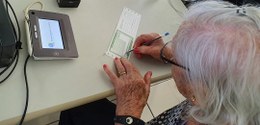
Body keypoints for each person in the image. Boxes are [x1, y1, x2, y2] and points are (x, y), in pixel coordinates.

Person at [60, 1, 260, 125]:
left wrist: (128, 113)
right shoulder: (233, 94)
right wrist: (170, 54)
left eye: (178, 57)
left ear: (201, 93)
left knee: (74, 105)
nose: (168, 52)